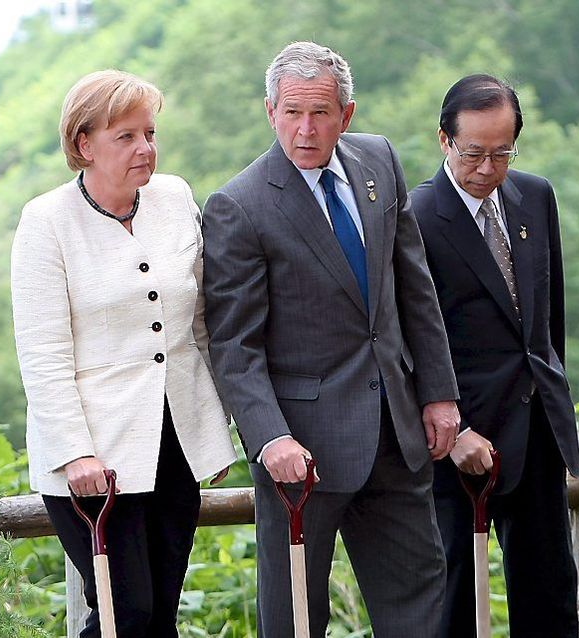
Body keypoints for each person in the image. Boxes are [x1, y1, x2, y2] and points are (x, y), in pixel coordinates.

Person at [201, 41, 461, 637]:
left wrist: (439, 393)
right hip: (301, 456)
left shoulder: (378, 160)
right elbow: (234, 347)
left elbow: (414, 285)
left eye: (320, 113)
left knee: (422, 607)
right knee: (294, 619)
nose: (305, 128)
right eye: (291, 112)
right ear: (270, 111)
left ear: (347, 114)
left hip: (398, 434)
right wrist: (269, 439)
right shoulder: (238, 206)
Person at [10, 70, 237, 637]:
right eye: (127, 137)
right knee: (123, 612)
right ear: (84, 145)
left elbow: (202, 321)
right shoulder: (46, 222)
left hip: (176, 441)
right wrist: (76, 454)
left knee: (160, 611)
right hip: (94, 458)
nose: (146, 148)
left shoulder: (176, 196)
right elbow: (43, 354)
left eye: (150, 133)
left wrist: (221, 420)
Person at [409, 74, 579, 637]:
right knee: (457, 599)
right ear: (444, 141)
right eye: (474, 154)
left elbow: (547, 320)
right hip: (456, 438)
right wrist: (452, 430)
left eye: (502, 153)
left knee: (550, 596)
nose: (487, 168)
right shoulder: (413, 217)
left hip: (535, 429)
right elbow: (402, 339)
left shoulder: (535, 195)